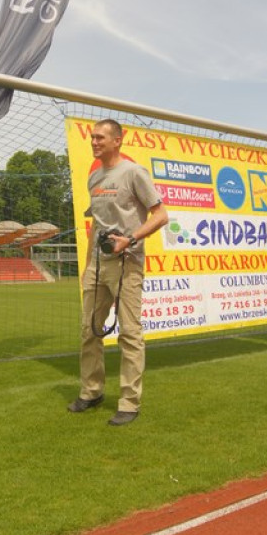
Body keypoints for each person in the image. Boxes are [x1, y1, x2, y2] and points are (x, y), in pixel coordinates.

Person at [68, 119, 168, 426]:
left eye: (100, 138)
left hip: (128, 263)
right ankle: (91, 391)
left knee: (130, 333)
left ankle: (129, 402)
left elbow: (161, 215)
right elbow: (96, 225)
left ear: (117, 141)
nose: (94, 142)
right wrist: (87, 267)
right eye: (93, 138)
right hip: (97, 265)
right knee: (89, 330)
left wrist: (131, 240)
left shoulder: (133, 172)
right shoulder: (94, 177)